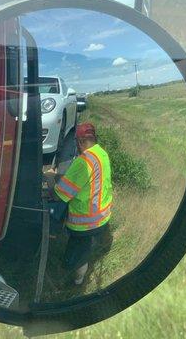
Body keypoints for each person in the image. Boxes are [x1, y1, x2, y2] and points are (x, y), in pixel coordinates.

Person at [45, 122, 113, 285]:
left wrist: (49, 178)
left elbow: (58, 196)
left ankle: (76, 283)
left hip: (86, 223)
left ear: (80, 141)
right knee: (84, 248)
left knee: (76, 257)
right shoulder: (101, 153)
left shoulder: (83, 161)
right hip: (103, 215)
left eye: (76, 142)